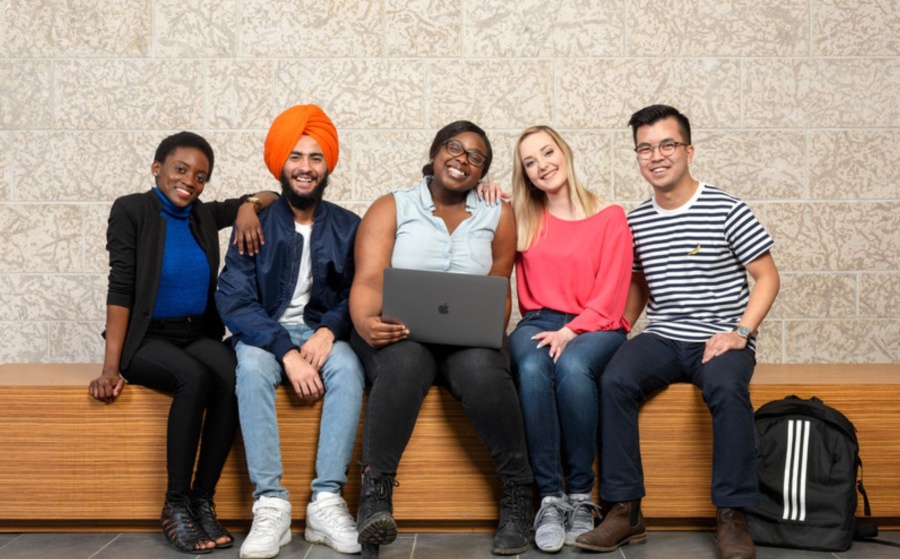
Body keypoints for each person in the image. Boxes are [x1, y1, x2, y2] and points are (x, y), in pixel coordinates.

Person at [574, 105, 780, 559]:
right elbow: (639, 286)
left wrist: (741, 332)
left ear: (688, 150)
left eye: (667, 145)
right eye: (645, 148)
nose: (656, 156)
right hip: (664, 336)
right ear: (637, 156)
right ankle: (625, 511)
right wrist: (619, 334)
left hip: (721, 336)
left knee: (728, 389)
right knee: (614, 378)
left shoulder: (726, 207)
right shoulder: (636, 220)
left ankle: (732, 516)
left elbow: (767, 277)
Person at [349, 121, 534, 558]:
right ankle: (375, 496)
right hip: (401, 330)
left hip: (467, 335)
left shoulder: (498, 212)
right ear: (434, 152)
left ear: (482, 171)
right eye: (455, 148)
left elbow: (498, 282)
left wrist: (489, 333)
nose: (462, 159)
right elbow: (370, 277)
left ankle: (519, 494)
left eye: (476, 157)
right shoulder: (392, 206)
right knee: (403, 365)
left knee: (484, 373)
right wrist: (363, 322)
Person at [88, 131, 277, 554]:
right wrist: (110, 367)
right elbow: (120, 288)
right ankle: (175, 503)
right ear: (157, 168)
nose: (189, 181)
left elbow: (275, 195)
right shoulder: (131, 210)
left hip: (196, 333)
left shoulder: (202, 215)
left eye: (201, 176)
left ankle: (201, 500)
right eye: (180, 169)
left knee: (232, 374)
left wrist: (247, 205)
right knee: (193, 377)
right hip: (146, 338)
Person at [216, 104, 365, 559]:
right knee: (253, 369)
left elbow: (360, 291)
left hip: (323, 332)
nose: (305, 167)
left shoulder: (348, 225)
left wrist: (329, 332)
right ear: (281, 164)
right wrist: (286, 350)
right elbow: (234, 299)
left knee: (350, 368)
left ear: (327, 166)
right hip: (265, 334)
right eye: (296, 157)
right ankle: (270, 505)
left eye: (315, 158)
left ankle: (326, 500)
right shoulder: (254, 223)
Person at [508, 125, 633, 552]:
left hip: (598, 322)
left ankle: (581, 495)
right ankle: (549, 498)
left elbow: (614, 292)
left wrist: (571, 331)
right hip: (538, 319)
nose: (542, 165)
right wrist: (486, 191)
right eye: (530, 161)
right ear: (524, 174)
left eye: (547, 152)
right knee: (530, 365)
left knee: (575, 367)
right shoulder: (523, 216)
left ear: (565, 152)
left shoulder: (610, 215)